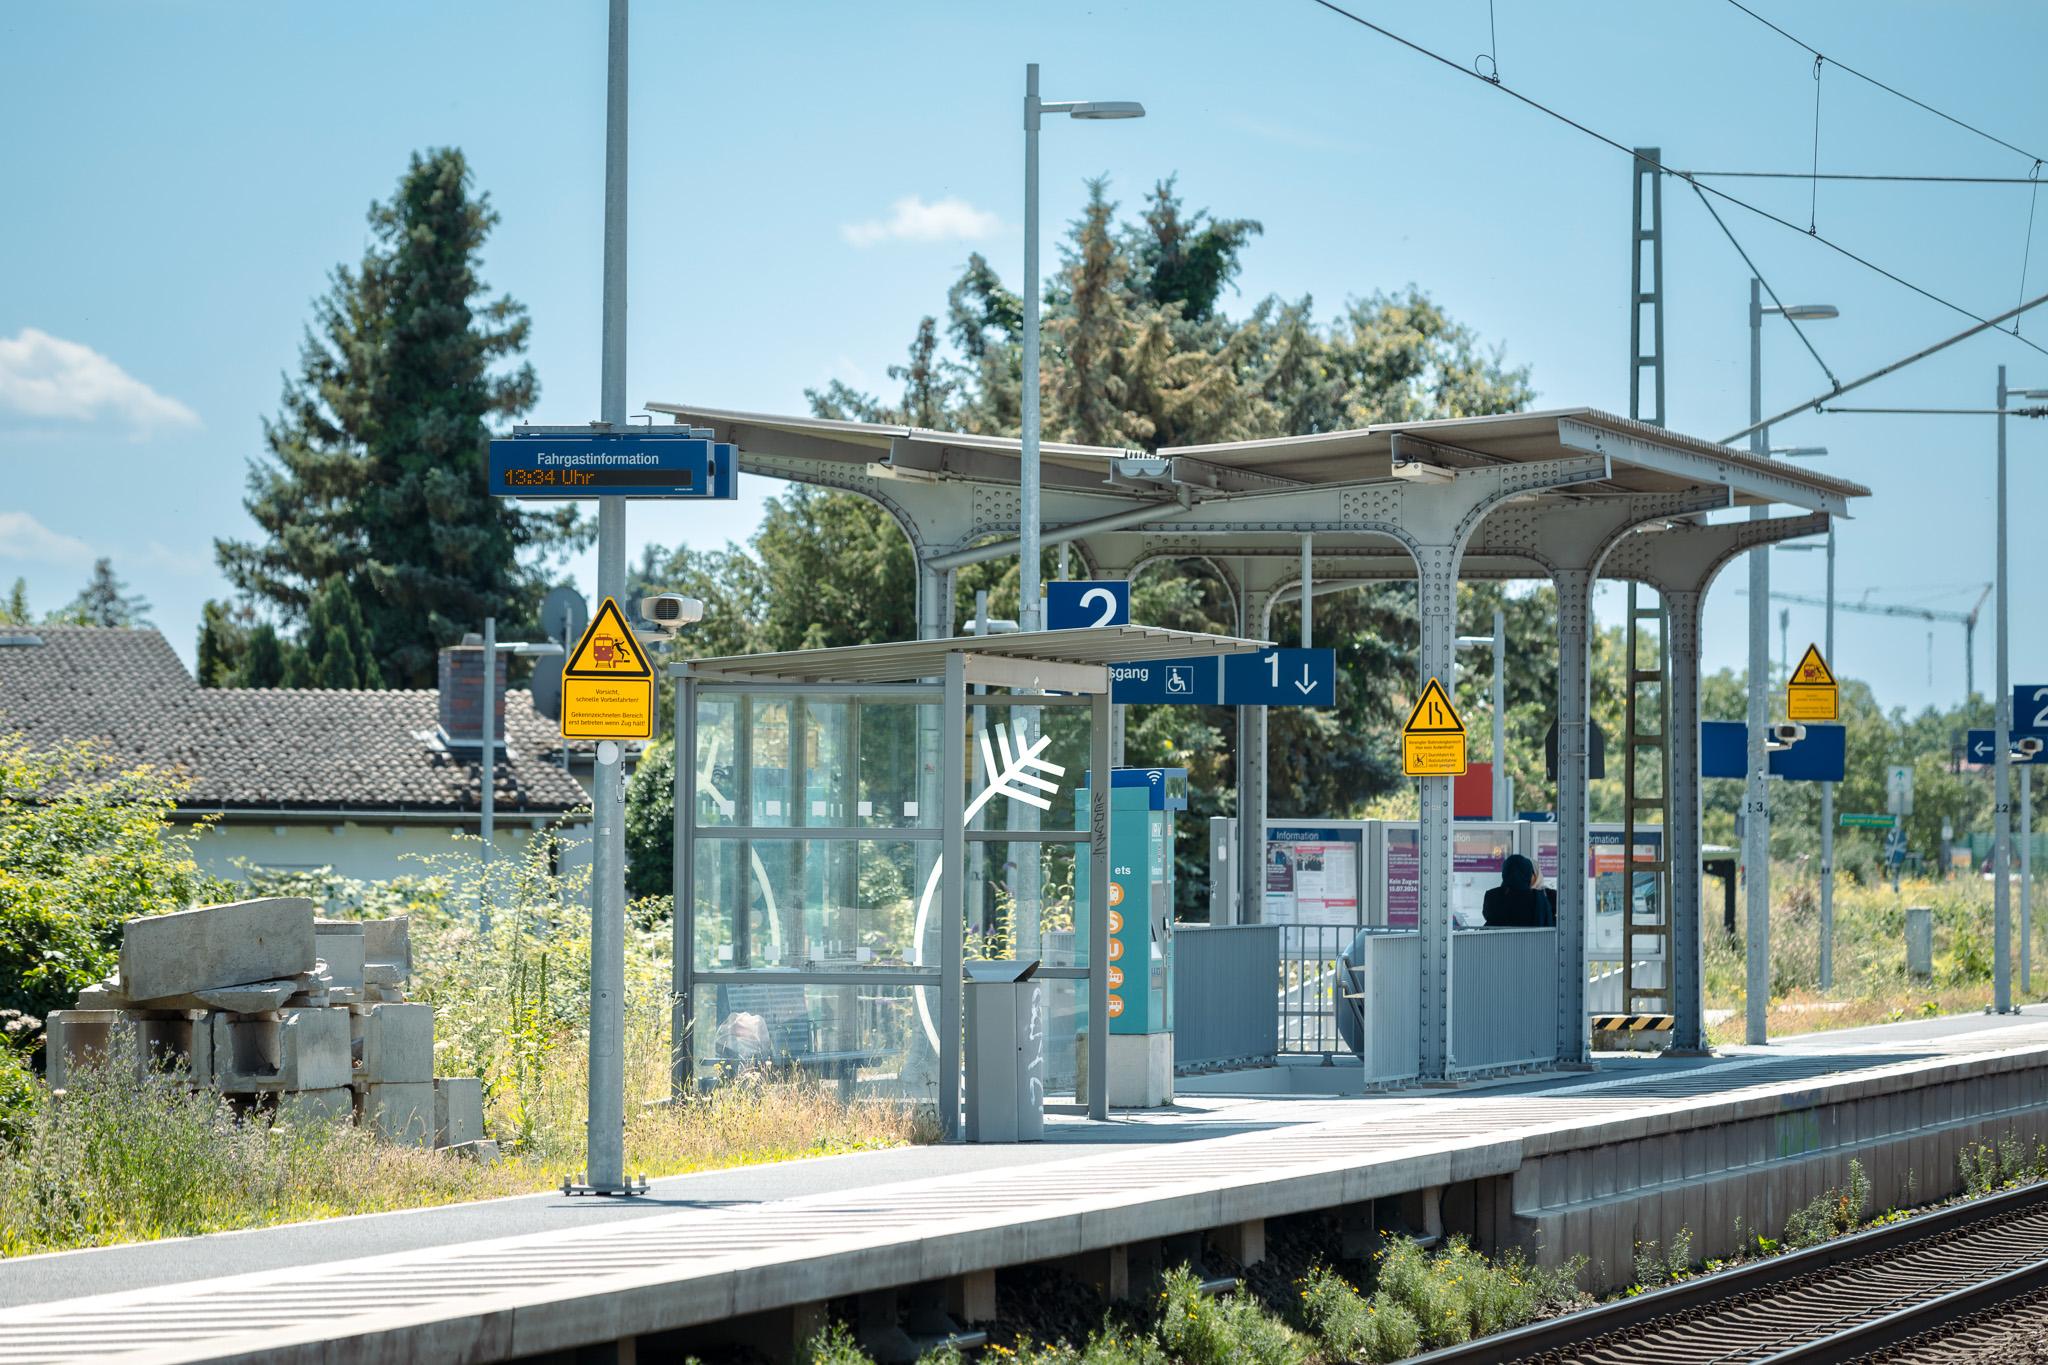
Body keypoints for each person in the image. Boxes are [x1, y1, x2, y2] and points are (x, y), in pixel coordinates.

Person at [1482, 853, 1556, 928]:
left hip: (1498, 939)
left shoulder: (1492, 896)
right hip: (1536, 939)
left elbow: (1488, 917)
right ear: (1528, 873)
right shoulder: (1543, 897)